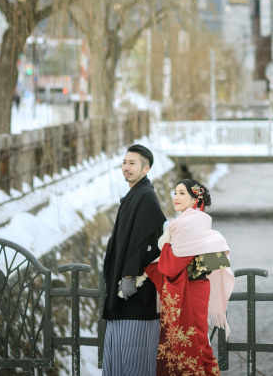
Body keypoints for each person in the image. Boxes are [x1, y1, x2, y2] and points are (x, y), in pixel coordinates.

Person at [143, 179, 234, 376]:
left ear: (195, 199)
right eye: (175, 192)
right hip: (196, 286)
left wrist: (164, 246)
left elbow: (172, 264)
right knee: (198, 340)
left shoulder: (189, 223)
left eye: (182, 193)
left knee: (193, 339)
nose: (176, 197)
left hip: (190, 290)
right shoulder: (195, 220)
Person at [101, 144, 167, 376]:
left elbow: (146, 241)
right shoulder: (135, 194)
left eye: (133, 163)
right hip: (123, 287)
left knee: (135, 354)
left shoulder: (146, 196)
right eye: (124, 163)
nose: (126, 168)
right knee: (123, 352)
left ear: (146, 168)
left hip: (135, 291)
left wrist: (129, 275)